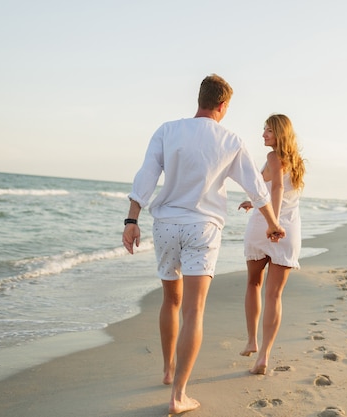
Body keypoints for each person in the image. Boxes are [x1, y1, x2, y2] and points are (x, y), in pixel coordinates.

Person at [122, 74, 285, 415]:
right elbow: (256, 189)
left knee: (171, 301)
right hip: (204, 228)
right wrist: (272, 224)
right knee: (193, 310)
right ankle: (179, 394)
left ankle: (168, 370)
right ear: (223, 106)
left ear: (200, 99)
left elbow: (146, 176)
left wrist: (131, 220)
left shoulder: (167, 130)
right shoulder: (230, 139)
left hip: (166, 225)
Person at [238, 114, 305, 375]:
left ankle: (252, 340)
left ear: (279, 133)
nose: (263, 135)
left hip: (267, 227)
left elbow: (276, 187)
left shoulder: (273, 157)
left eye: (268, 130)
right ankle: (263, 354)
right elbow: (276, 191)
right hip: (290, 230)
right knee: (274, 294)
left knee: (254, 283)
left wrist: (272, 223)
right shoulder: (297, 162)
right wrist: (253, 202)